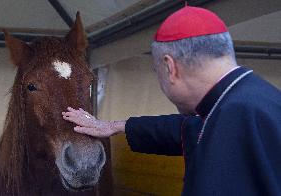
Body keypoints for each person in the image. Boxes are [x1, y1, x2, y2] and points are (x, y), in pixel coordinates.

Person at [62, 6, 281, 196]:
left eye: (157, 71)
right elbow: (184, 128)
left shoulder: (238, 116)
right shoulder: (241, 102)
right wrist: (113, 126)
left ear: (170, 67)